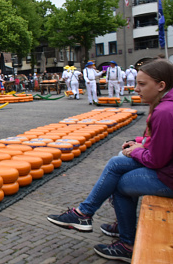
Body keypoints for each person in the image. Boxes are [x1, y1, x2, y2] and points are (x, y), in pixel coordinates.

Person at [47, 59, 173, 263]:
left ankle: (125, 242)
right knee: (116, 164)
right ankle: (86, 214)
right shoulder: (165, 105)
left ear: (161, 86)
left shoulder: (165, 112)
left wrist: (134, 152)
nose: (135, 88)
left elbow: (157, 159)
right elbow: (160, 141)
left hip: (168, 176)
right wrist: (139, 142)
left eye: (142, 84)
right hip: (167, 169)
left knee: (121, 184)